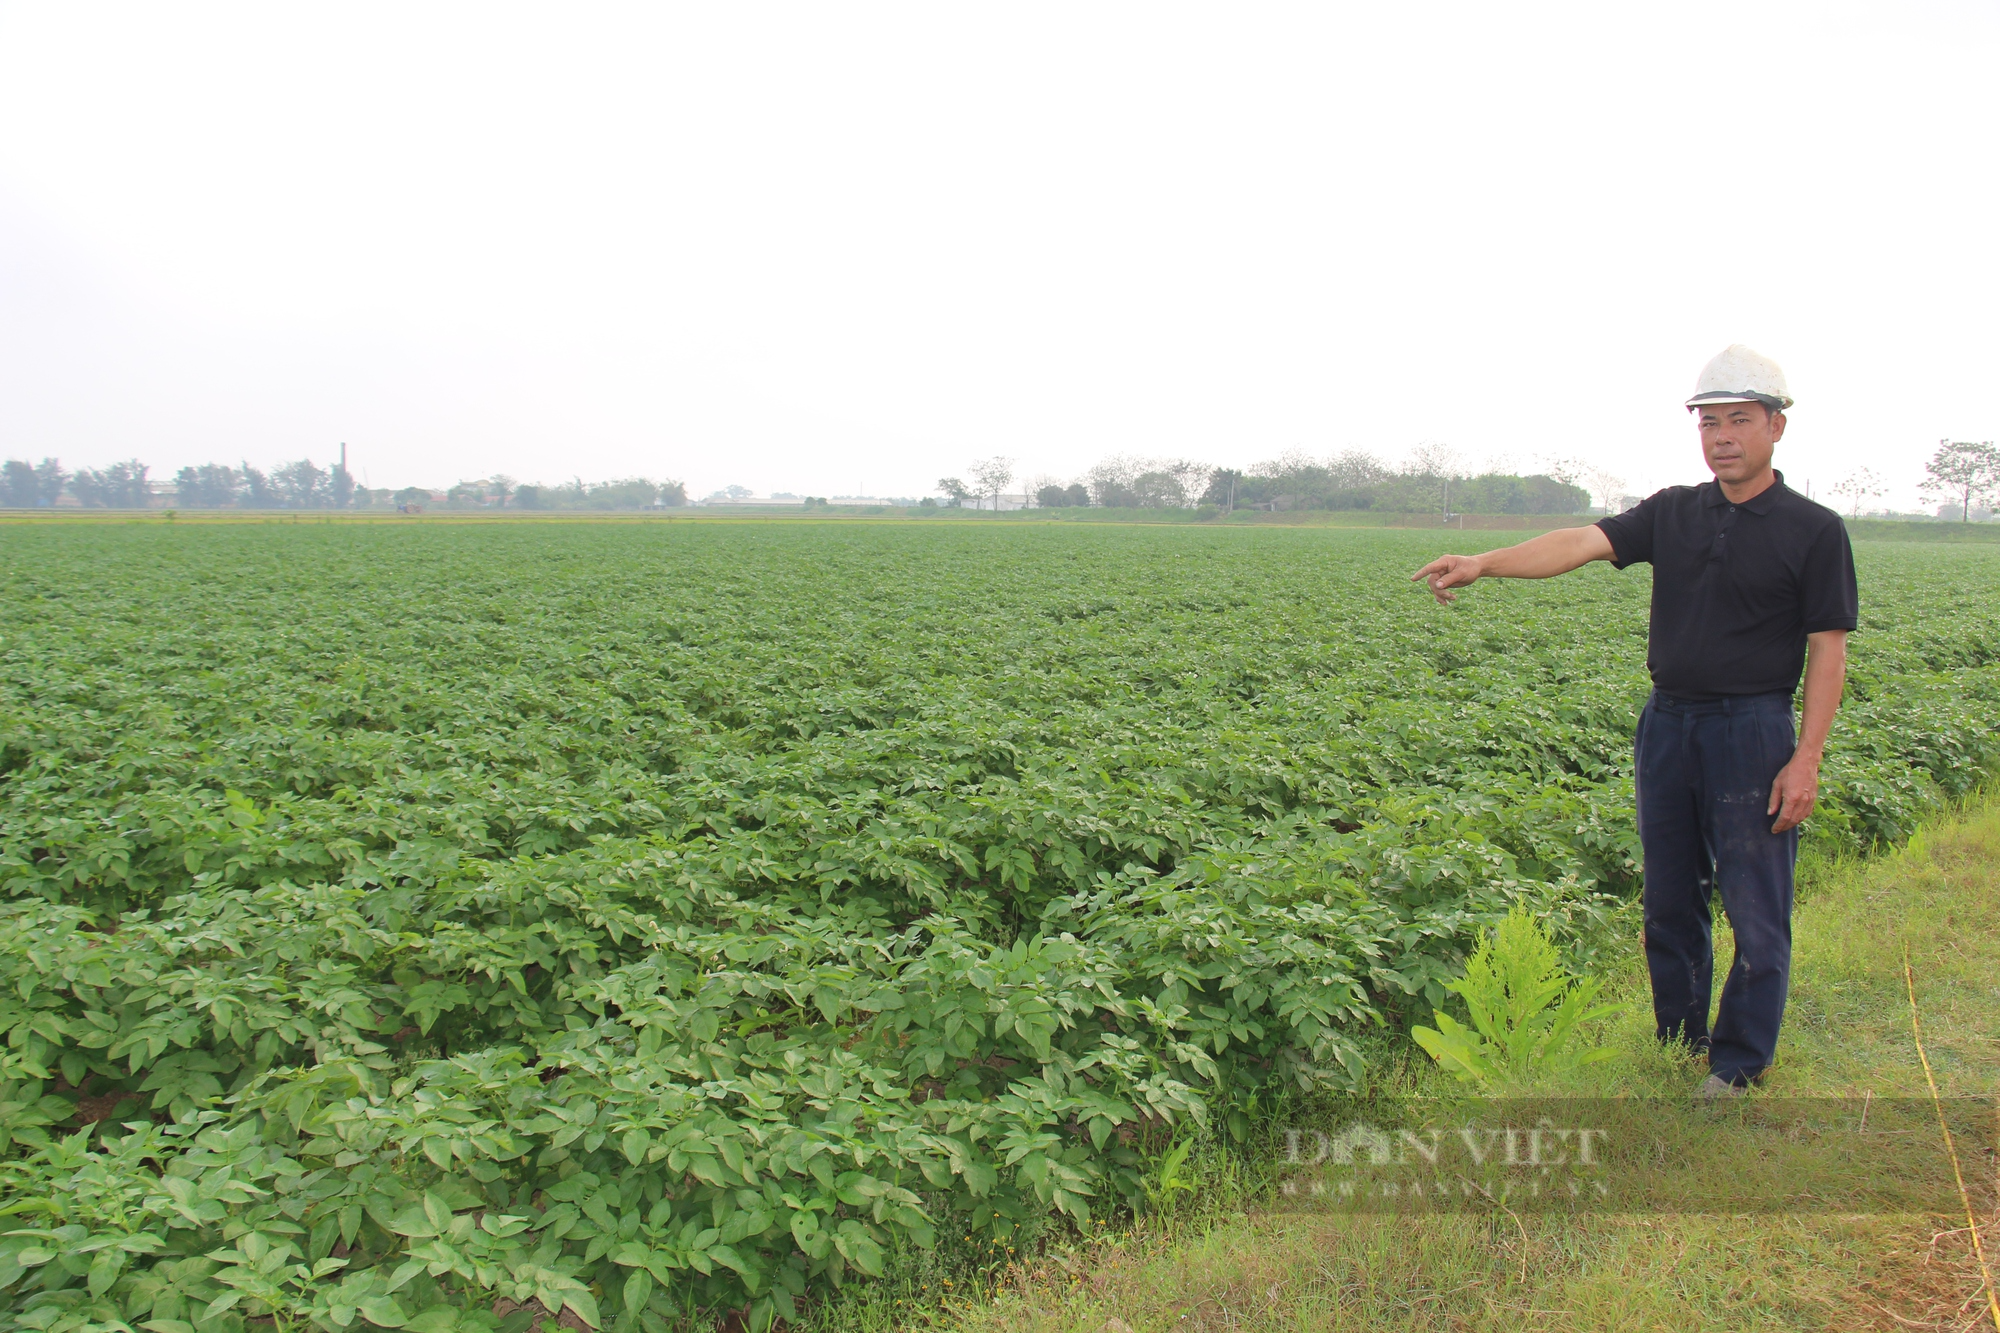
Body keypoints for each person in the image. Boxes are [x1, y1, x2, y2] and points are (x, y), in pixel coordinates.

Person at [1410, 346, 1858, 1100]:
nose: (1721, 437)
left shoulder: (1813, 530)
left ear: (1776, 427)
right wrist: (1485, 560)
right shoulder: (1674, 511)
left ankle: (1740, 1062)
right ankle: (1680, 1040)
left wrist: (1806, 755)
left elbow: (1828, 650)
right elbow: (1579, 543)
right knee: (1670, 895)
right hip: (1670, 725)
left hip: (1752, 730)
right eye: (1708, 422)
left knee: (1755, 901)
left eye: (1739, 421)